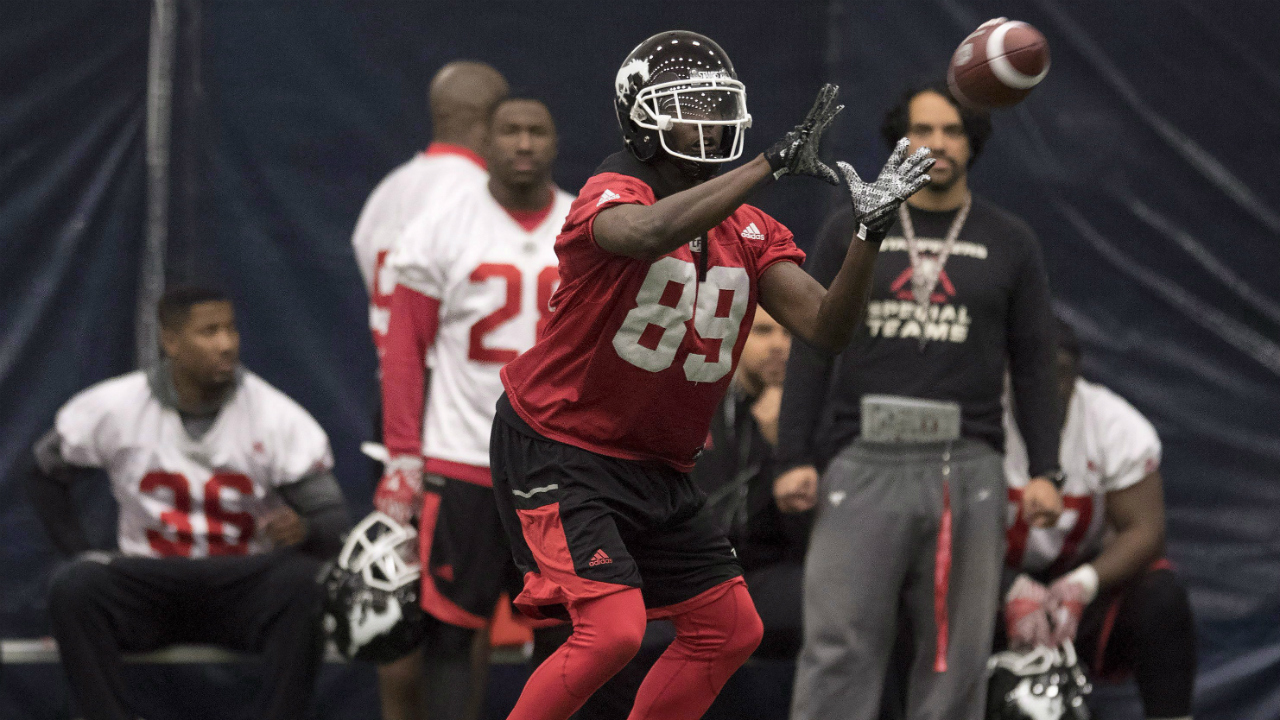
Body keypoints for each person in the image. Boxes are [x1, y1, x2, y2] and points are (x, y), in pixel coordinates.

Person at [488, 30, 933, 720]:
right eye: (689, 107)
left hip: (657, 463)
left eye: (715, 106)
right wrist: (765, 164)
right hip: (561, 445)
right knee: (613, 633)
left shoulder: (748, 227)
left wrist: (865, 236)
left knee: (729, 630)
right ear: (642, 118)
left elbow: (827, 328)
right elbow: (643, 235)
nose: (708, 122)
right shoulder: (610, 193)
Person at [777, 80, 1065, 720]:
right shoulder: (852, 228)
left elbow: (1035, 363)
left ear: (973, 143)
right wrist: (793, 455)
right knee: (838, 646)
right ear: (898, 140)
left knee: (954, 657)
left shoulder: (1011, 240)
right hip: (864, 458)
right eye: (923, 131)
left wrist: (1046, 470)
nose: (937, 145)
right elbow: (811, 345)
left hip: (968, 467)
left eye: (952, 131)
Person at [28, 286, 350, 720]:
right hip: (149, 581)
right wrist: (79, 549)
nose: (226, 343)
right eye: (209, 331)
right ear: (171, 341)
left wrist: (306, 529)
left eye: (231, 328)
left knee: (304, 583)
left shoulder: (276, 416)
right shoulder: (115, 407)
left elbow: (332, 516)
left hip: (241, 584)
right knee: (74, 586)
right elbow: (43, 472)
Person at [379, 95, 573, 720]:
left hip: (559, 468)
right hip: (463, 457)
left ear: (555, 141)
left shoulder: (586, 225)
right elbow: (404, 348)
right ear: (485, 141)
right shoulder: (440, 225)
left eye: (535, 130)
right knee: (450, 633)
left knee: (565, 634)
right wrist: (404, 454)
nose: (523, 143)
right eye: (509, 130)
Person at [348, 60, 508, 719]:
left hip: (396, 406)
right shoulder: (480, 197)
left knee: (399, 598)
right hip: (458, 418)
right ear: (486, 122)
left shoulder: (387, 193)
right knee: (457, 613)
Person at [1001, 319, 1196, 720]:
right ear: (1007, 373)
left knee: (1162, 595)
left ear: (1076, 378)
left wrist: (1081, 585)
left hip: (1074, 599)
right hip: (989, 589)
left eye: (1059, 378)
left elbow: (1147, 531)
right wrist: (1006, 588)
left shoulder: (1114, 427)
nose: (1047, 391)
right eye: (1032, 377)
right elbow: (938, 530)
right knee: (911, 589)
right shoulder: (978, 419)